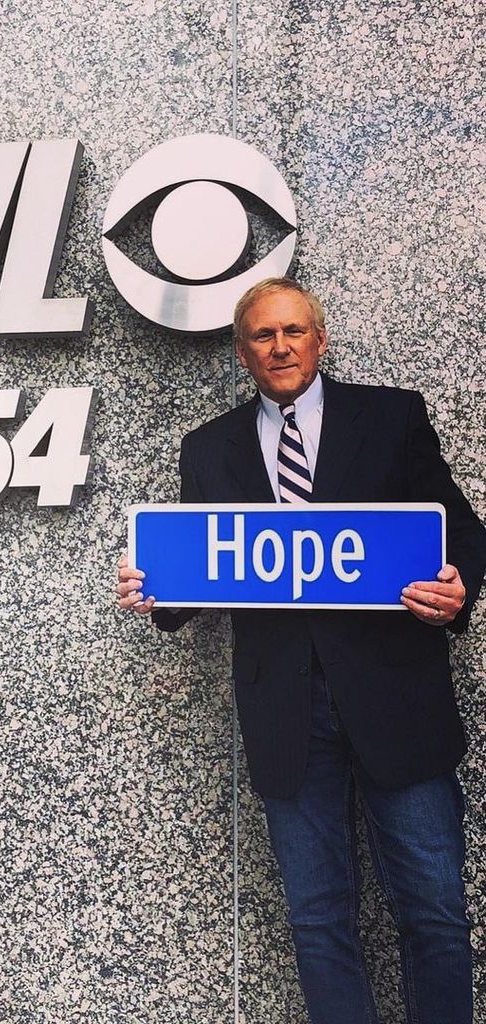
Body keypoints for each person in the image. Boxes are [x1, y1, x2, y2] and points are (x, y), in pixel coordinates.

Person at [116, 277, 486, 1024]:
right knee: (318, 921)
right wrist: (154, 590)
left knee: (436, 913)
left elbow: (463, 536)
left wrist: (459, 589)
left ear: (319, 339)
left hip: (396, 699)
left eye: (292, 331)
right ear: (242, 350)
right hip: (285, 711)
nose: (279, 346)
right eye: (262, 335)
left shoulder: (391, 417)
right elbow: (200, 572)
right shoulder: (208, 448)